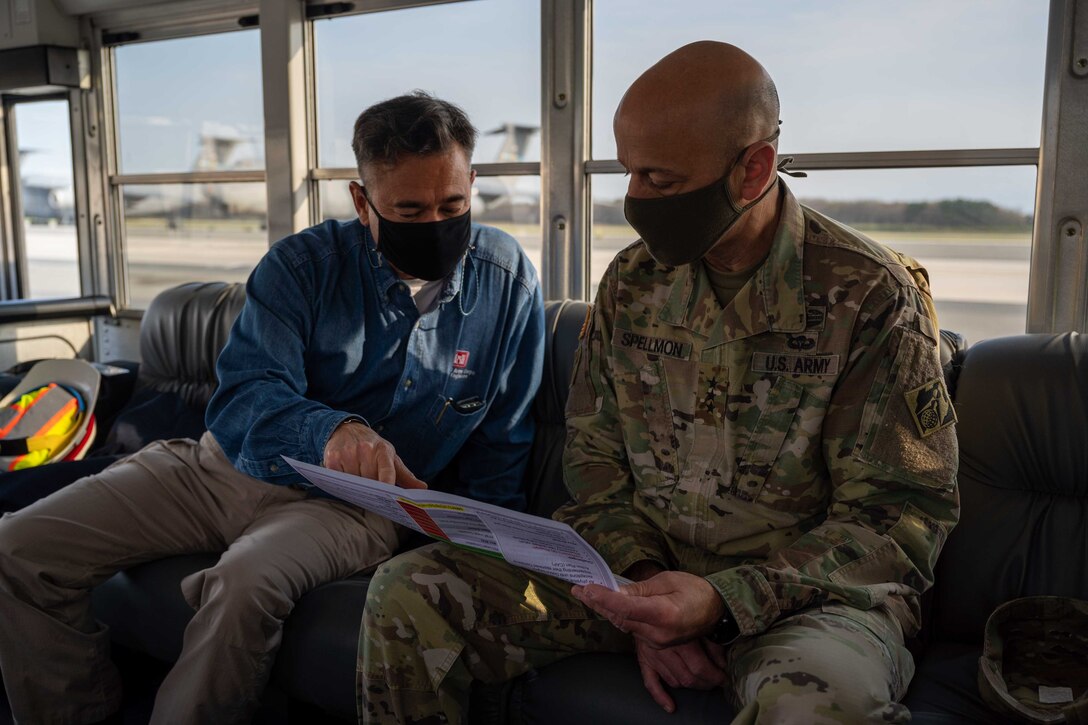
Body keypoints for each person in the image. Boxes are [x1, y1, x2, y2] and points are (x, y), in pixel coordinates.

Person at [358, 42, 959, 724]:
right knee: (409, 591)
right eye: (629, 174)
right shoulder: (633, 283)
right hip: (634, 577)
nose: (635, 201)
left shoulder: (870, 297)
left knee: (814, 706)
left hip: (807, 605)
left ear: (753, 169)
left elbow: (899, 518)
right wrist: (644, 597)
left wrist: (723, 599)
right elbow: (593, 465)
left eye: (661, 181)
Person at [0, 91, 544, 724]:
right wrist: (331, 430)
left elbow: (504, 439)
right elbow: (245, 394)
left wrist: (489, 552)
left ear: (473, 183)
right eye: (409, 209)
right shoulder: (301, 266)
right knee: (18, 549)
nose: (435, 225)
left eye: (453, 205)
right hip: (220, 469)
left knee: (245, 584)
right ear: (362, 202)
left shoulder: (506, 281)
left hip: (354, 505)